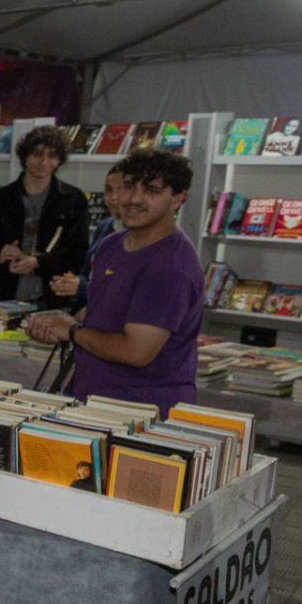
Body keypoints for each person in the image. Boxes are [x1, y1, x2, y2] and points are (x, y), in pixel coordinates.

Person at [26, 150, 203, 416]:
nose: (133, 199)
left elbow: (136, 352)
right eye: (129, 186)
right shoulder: (111, 245)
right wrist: (56, 325)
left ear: (177, 199)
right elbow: (101, 311)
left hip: (141, 413)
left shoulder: (170, 267)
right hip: (92, 400)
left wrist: (73, 331)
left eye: (152, 191)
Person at [0, 125, 90, 308]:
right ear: (24, 156)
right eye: (37, 154)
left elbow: (78, 255)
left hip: (51, 301)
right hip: (2, 300)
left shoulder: (73, 200)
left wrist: (38, 263)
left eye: (52, 156)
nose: (44, 162)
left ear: (60, 161)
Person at [49, 165, 127, 307]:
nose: (113, 198)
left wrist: (82, 287)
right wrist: (70, 281)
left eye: (121, 190)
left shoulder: (143, 235)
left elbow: (125, 291)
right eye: (108, 190)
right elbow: (88, 272)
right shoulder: (105, 226)